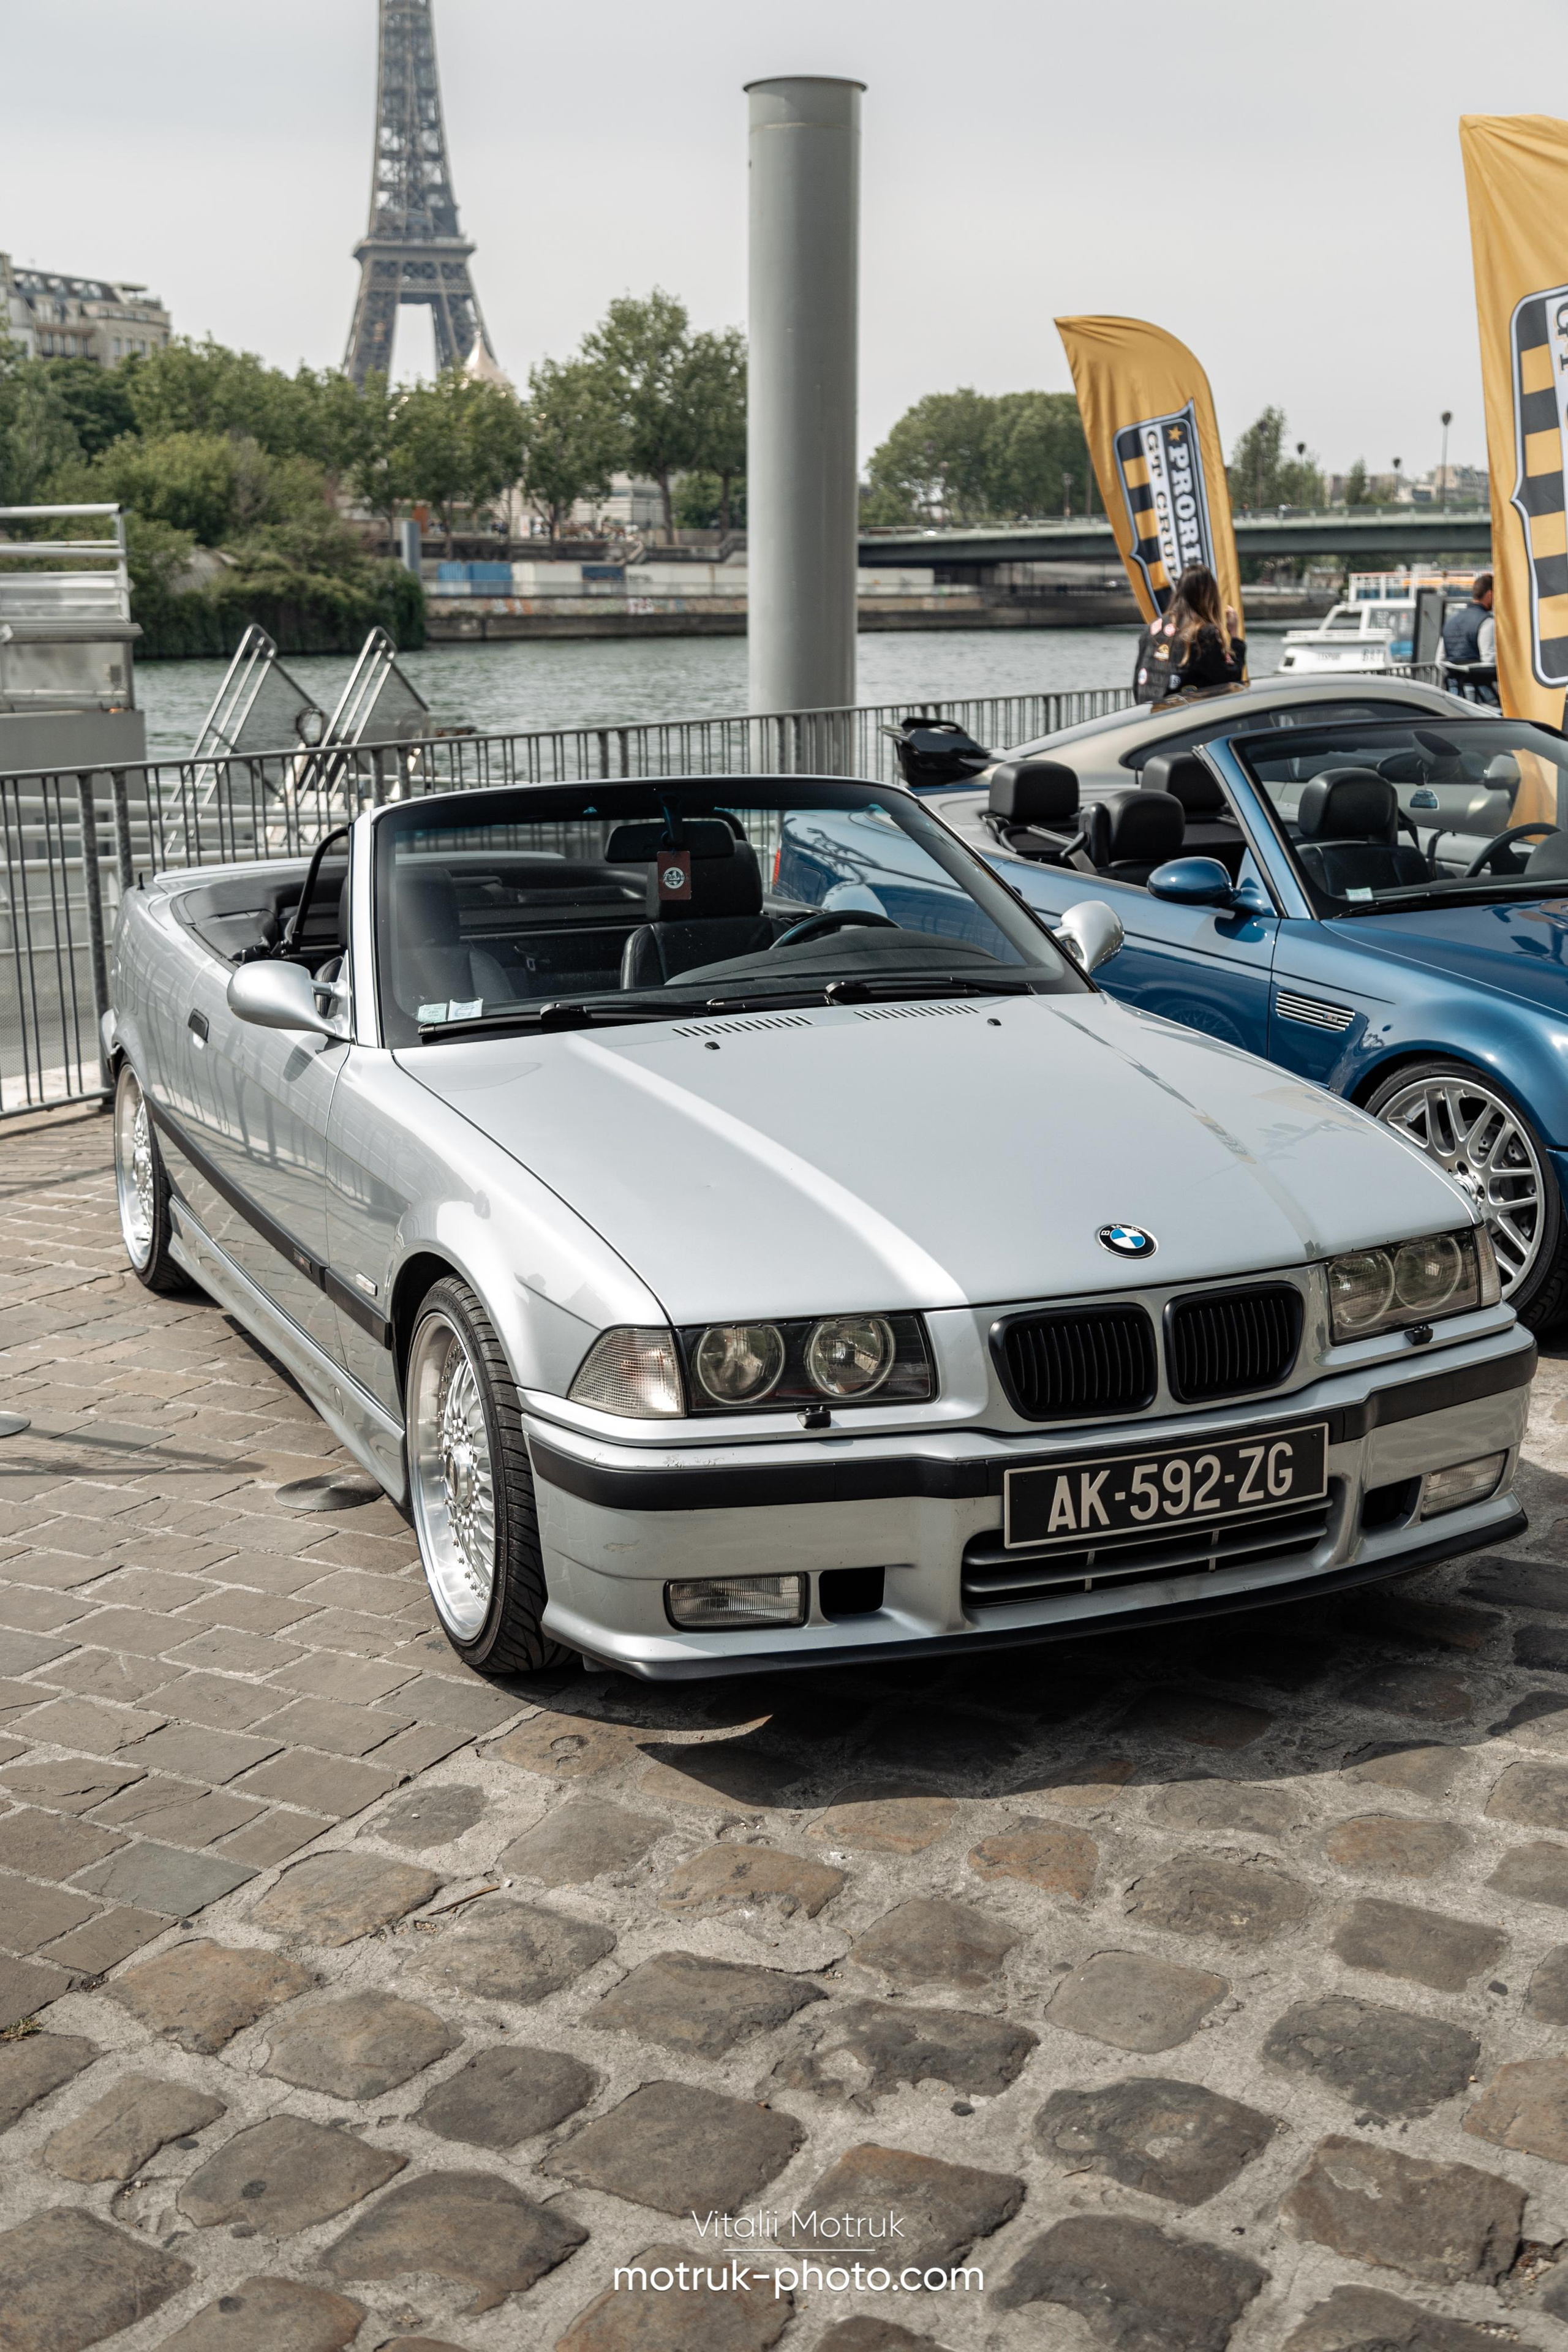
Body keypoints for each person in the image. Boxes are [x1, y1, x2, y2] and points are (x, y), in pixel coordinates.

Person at [1166, 565, 1246, 693]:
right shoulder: (1203, 635)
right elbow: (1231, 678)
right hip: (1196, 710)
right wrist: (1235, 635)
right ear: (1208, 594)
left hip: (1157, 710)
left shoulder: (1153, 630)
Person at [1441, 571, 1498, 700]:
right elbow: (1489, 661)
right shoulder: (1487, 622)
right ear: (1490, 594)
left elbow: (1440, 660)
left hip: (1453, 692)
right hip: (1481, 694)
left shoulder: (1451, 621)